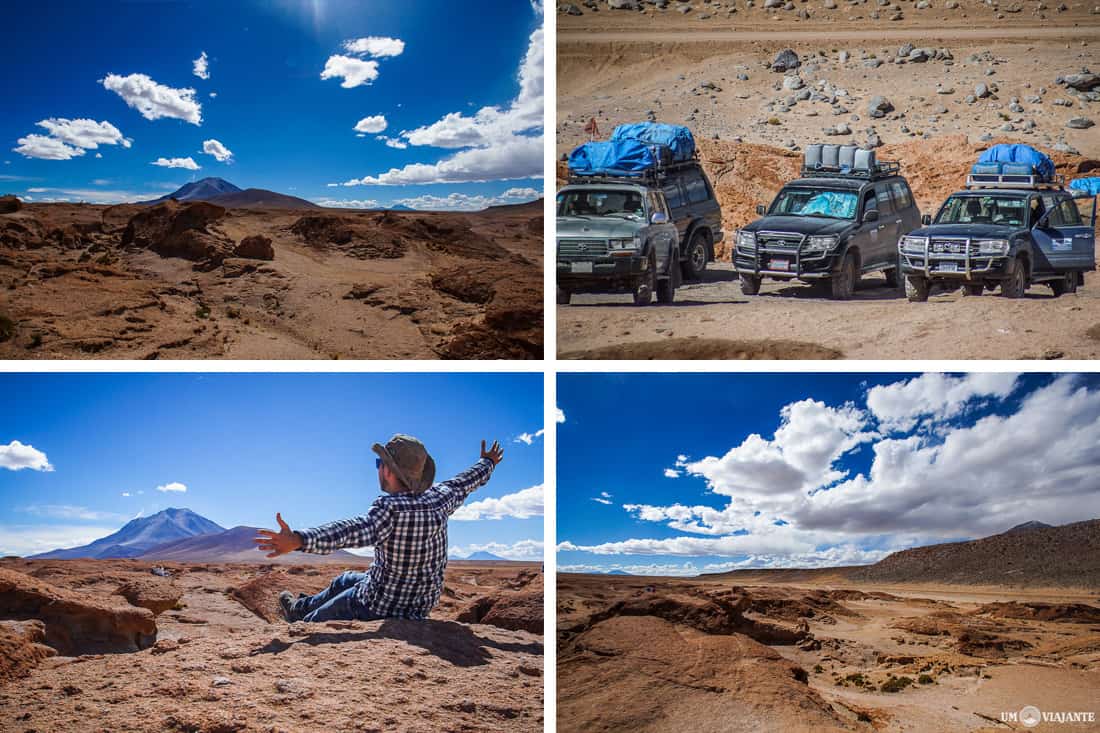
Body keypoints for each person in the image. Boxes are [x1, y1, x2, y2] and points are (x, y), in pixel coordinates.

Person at [254, 435, 504, 623]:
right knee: (346, 579)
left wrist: (299, 539)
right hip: (420, 605)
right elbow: (466, 481)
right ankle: (298, 607)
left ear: (388, 470)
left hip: (380, 606)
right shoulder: (439, 498)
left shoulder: (390, 509)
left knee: (315, 622)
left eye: (379, 463)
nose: (378, 469)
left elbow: (350, 531)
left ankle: (299, 618)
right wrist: (488, 462)